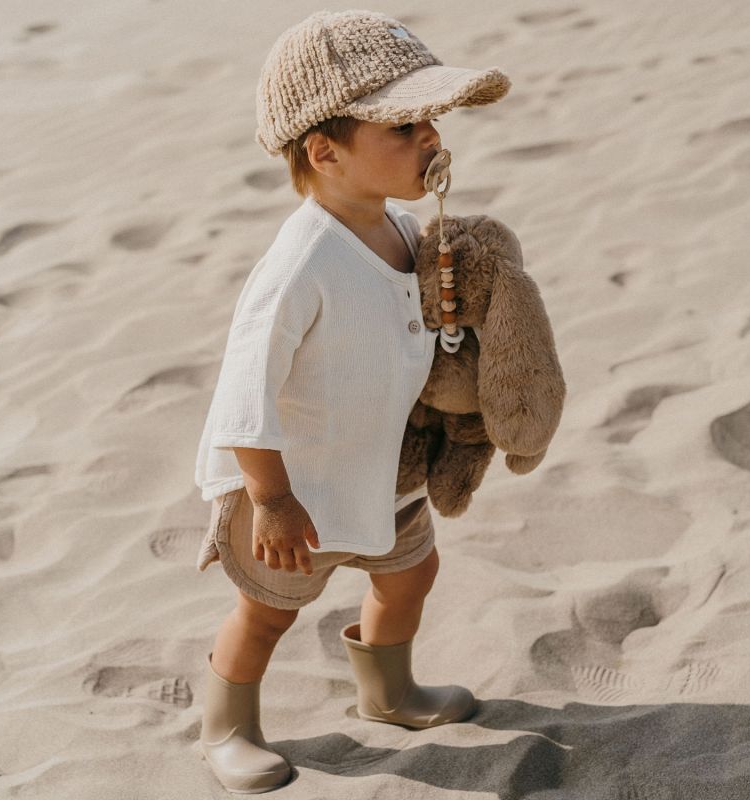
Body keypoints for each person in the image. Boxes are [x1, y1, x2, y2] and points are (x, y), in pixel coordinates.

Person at [193, 9, 511, 794]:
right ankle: (226, 726)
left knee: (411, 573)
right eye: (404, 126)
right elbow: (244, 390)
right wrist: (269, 498)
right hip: (295, 488)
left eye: (432, 118)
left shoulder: (403, 228)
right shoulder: (301, 261)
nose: (432, 137)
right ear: (325, 152)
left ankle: (387, 690)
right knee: (267, 613)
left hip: (385, 468)